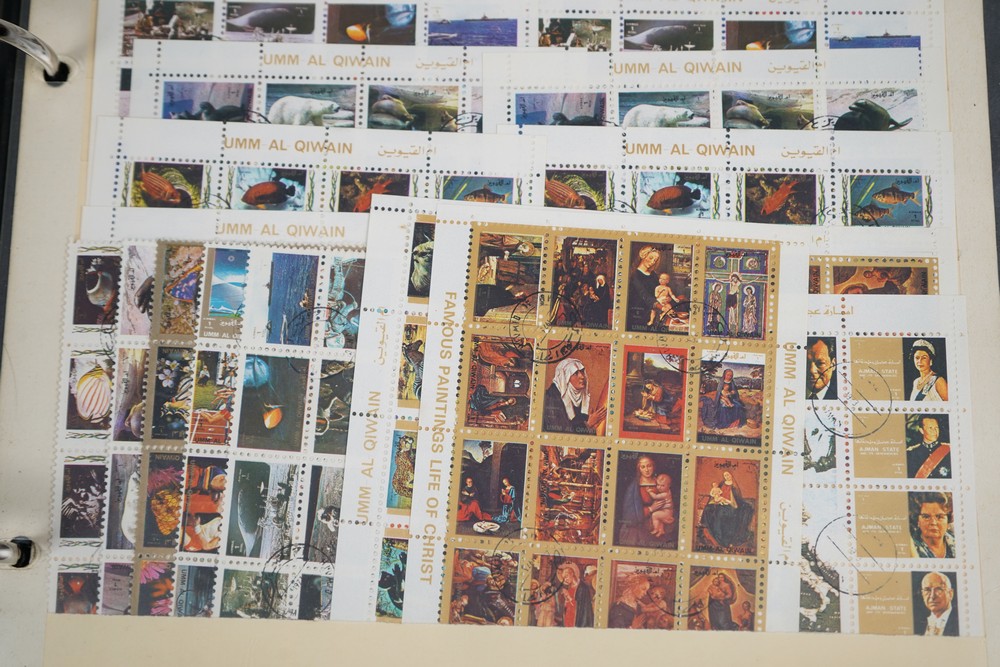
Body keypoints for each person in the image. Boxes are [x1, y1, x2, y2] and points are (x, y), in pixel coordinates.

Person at [618, 455, 673, 545]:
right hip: (638, 530)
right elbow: (629, 515)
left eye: (649, 466)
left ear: (653, 466)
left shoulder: (661, 483)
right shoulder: (634, 487)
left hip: (659, 525)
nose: (646, 470)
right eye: (643, 467)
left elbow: (668, 502)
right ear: (639, 469)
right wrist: (651, 509)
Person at [700, 470, 754, 549]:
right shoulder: (722, 483)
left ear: (731, 475)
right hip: (720, 502)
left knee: (722, 514)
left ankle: (724, 539)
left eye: (728, 475)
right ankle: (712, 531)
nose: (727, 477)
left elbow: (736, 499)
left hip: (730, 504)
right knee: (709, 509)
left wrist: (727, 501)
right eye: (725, 475)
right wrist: (717, 499)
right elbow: (716, 493)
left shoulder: (734, 486)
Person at [543, 358, 594, 434]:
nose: (582, 376)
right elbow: (561, 431)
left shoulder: (577, 395)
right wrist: (588, 424)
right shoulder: (551, 397)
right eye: (575, 373)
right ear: (565, 377)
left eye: (582, 371)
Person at [910, 492, 956, 558]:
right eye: (926, 517)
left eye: (939, 517)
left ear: (948, 520)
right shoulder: (911, 548)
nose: (933, 522)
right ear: (918, 520)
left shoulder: (957, 542)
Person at [627, 245, 662, 329]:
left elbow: (658, 291)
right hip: (637, 314)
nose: (653, 262)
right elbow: (644, 294)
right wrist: (660, 306)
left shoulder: (654, 275)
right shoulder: (634, 275)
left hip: (652, 312)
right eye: (651, 258)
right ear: (643, 255)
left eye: (655, 260)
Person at [915, 572, 959, 636]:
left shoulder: (959, 620)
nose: (932, 596)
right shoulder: (918, 624)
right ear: (922, 594)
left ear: (950, 594)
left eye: (938, 589)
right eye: (927, 590)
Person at [555, 562, 595, 628]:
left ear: (572, 574)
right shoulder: (569, 588)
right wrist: (565, 599)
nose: (565, 580)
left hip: (578, 619)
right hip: (568, 617)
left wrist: (569, 597)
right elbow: (567, 605)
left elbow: (583, 607)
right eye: (564, 578)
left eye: (566, 576)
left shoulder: (583, 587)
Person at [647, 473, 675, 537]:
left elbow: (655, 497)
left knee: (654, 515)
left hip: (667, 513)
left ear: (669, 485)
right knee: (659, 519)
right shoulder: (667, 491)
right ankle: (661, 531)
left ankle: (656, 529)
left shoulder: (665, 494)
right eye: (658, 485)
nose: (659, 487)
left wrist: (649, 492)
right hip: (666, 511)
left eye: (662, 485)